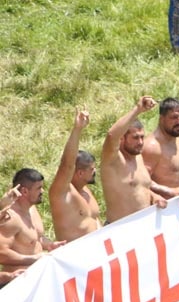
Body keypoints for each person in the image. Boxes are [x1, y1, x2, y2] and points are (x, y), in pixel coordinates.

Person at [101, 96, 168, 224]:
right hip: (120, 229)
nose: (141, 142)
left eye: (142, 137)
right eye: (135, 138)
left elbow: (139, 188)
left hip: (143, 226)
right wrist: (137, 109)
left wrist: (154, 197)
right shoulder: (113, 159)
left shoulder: (138, 158)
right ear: (122, 138)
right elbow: (111, 136)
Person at [0, 169, 66, 278]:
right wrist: (33, 259)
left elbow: (34, 238)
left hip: (39, 277)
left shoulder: (32, 209)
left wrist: (50, 245)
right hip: (18, 280)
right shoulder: (10, 218)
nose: (42, 191)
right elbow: (2, 254)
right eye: (39, 188)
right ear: (25, 191)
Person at [49, 109, 101, 242]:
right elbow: (66, 165)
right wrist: (77, 129)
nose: (95, 171)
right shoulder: (61, 193)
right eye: (92, 169)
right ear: (80, 173)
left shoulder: (85, 190)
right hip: (76, 253)